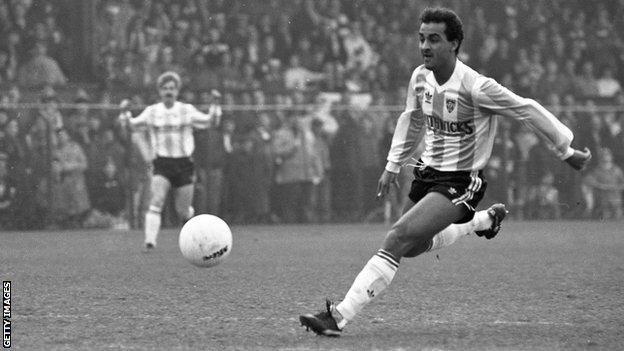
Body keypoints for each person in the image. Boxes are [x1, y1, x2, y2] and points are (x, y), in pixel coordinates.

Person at [299, 7, 592, 336]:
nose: (425, 46)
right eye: (422, 38)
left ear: (454, 44)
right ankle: (482, 222)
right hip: (427, 172)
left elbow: (524, 109)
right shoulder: (419, 77)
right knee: (408, 246)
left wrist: (565, 149)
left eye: (434, 39)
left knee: (396, 237)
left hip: (461, 180)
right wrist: (393, 165)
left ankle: (338, 316)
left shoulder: (475, 86)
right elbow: (412, 120)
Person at [119, 71, 215, 251]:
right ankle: (149, 242)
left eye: (172, 88)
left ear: (177, 90)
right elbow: (131, 125)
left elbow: (209, 121)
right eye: (164, 89)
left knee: (183, 210)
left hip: (184, 164)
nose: (168, 92)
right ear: (159, 91)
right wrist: (124, 113)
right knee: (157, 199)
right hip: (162, 163)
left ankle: (193, 236)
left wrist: (216, 106)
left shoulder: (186, 110)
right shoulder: (152, 111)